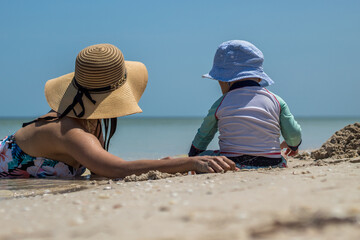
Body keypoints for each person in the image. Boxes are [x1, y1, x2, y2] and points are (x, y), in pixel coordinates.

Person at [0, 43, 235, 178]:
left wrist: (165, 164)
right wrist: (188, 163)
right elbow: (114, 168)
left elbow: (102, 168)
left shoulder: (89, 123)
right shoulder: (68, 133)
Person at [188, 40, 302, 169]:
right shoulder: (276, 100)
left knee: (206, 157)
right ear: (259, 78)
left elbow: (204, 134)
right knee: (279, 156)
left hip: (232, 164)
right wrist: (293, 146)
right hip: (273, 163)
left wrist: (194, 153)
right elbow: (293, 133)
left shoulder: (221, 103)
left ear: (226, 81)